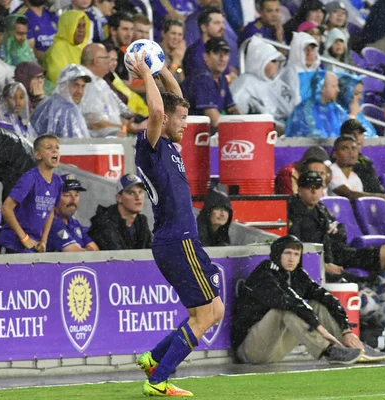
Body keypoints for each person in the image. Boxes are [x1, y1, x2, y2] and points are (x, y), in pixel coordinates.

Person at [130, 50, 224, 397]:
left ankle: (152, 359)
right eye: (181, 118)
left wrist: (162, 70)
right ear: (165, 120)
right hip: (176, 241)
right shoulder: (149, 145)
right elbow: (157, 109)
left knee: (214, 309)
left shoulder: (169, 143)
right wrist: (144, 75)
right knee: (202, 317)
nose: (186, 123)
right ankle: (157, 381)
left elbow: (172, 102)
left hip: (181, 240)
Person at [232, 235, 385, 365]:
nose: (291, 259)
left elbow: (327, 298)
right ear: (278, 253)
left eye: (296, 254)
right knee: (287, 310)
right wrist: (319, 328)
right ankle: (330, 351)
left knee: (317, 305)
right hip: (251, 350)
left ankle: (353, 346)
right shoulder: (264, 273)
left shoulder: (298, 275)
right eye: (287, 253)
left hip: (275, 350)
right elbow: (290, 301)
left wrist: (346, 329)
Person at [289, 170, 385, 290]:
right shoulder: (292, 212)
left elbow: (341, 235)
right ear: (299, 190)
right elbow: (295, 248)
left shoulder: (321, 209)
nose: (314, 191)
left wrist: (337, 230)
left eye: (317, 187)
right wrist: (322, 265)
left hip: (344, 254)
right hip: (327, 261)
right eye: (309, 187)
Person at [0, 134, 62, 254]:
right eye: (49, 148)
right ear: (37, 155)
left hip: (34, 244)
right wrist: (24, 238)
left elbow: (51, 211)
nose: (55, 150)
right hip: (15, 244)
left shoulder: (58, 181)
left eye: (57, 148)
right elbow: (6, 209)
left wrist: (44, 240)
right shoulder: (30, 178)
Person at [79, 43, 143, 137]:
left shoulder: (101, 82)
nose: (109, 62)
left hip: (115, 136)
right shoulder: (85, 84)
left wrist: (133, 126)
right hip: (98, 143)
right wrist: (123, 127)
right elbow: (93, 122)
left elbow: (114, 113)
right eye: (106, 58)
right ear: (96, 61)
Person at [230, 36, 290, 134]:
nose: (277, 65)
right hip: (254, 133)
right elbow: (237, 116)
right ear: (260, 61)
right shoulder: (244, 83)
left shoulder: (277, 84)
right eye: (273, 61)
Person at [181, 38, 239, 132]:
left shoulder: (222, 78)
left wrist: (243, 124)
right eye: (217, 53)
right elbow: (215, 120)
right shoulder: (202, 77)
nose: (222, 58)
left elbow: (232, 108)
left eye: (226, 53)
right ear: (205, 56)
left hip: (201, 133)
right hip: (188, 134)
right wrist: (238, 129)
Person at [328, 135, 385, 201]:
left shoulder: (355, 177)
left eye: (354, 148)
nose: (350, 152)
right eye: (345, 148)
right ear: (335, 154)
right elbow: (350, 194)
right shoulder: (331, 171)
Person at [87, 173, 152, 250]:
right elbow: (119, 257)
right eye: (131, 193)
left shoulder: (141, 221)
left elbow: (152, 252)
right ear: (119, 198)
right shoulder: (104, 222)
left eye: (140, 192)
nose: (138, 197)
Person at [29, 64, 91, 138]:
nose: (80, 91)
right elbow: (80, 144)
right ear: (63, 85)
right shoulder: (69, 110)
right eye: (75, 85)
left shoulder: (45, 103)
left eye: (82, 86)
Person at [285, 71, 350, 138]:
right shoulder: (303, 110)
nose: (338, 90)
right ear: (322, 88)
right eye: (334, 86)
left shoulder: (337, 110)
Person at [48, 174, 99, 252]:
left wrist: (84, 250)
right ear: (55, 197)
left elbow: (95, 249)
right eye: (67, 194)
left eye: (76, 194)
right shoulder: (51, 222)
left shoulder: (73, 222)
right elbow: (76, 254)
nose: (73, 199)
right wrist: (86, 249)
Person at [182, 6, 237, 78]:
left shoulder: (220, 49)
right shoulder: (195, 53)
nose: (222, 27)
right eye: (217, 23)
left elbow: (227, 77)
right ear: (204, 27)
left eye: (223, 23)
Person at [338, 119, 384, 195]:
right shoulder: (338, 161)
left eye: (360, 133)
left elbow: (377, 188)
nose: (357, 137)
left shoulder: (366, 162)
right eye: (352, 134)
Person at [44, 10, 90, 84]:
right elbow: (60, 80)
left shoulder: (81, 48)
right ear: (67, 27)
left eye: (83, 26)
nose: (82, 30)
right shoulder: (57, 49)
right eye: (77, 26)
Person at [279, 32, 320, 111]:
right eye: (305, 49)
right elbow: (295, 101)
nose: (309, 53)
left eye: (312, 49)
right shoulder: (291, 72)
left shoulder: (318, 71)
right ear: (297, 51)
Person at [104, 11, 134, 81]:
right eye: (125, 29)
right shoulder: (103, 52)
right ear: (113, 30)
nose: (129, 34)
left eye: (131, 29)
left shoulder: (122, 55)